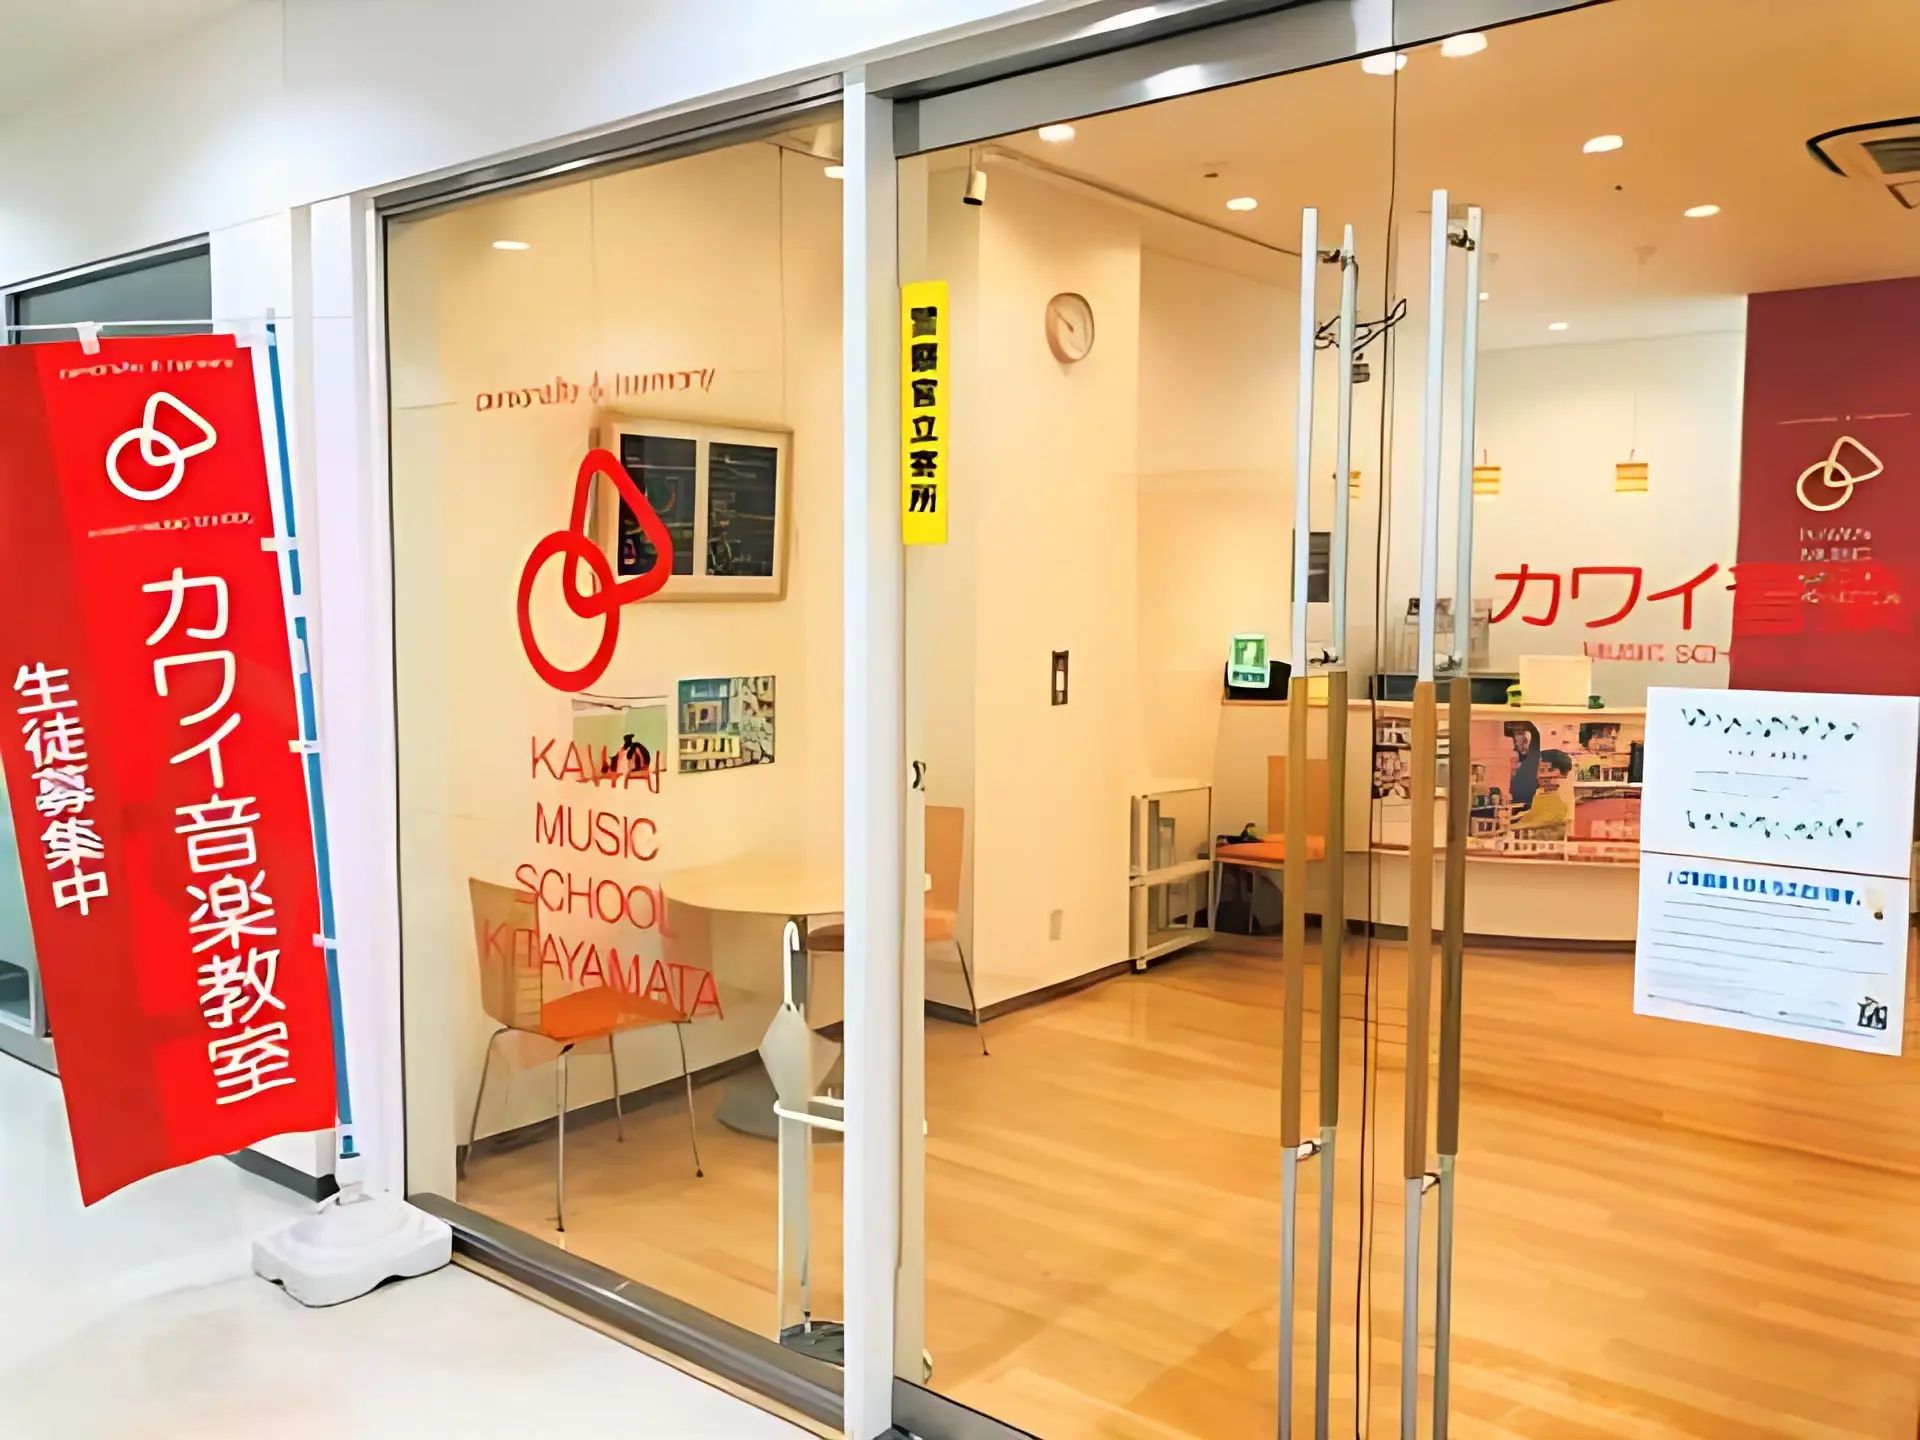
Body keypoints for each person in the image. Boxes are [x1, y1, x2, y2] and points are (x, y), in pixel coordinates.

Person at [1510, 749, 1573, 830]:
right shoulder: (1544, 795)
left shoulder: (1556, 801)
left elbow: (1537, 823)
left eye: (1541, 769)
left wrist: (1509, 827)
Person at [1507, 721, 1542, 813]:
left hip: (1524, 802)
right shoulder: (1516, 758)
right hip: (1517, 802)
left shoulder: (1532, 758)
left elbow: (1535, 738)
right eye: (1518, 734)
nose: (1518, 739)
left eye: (1520, 733)